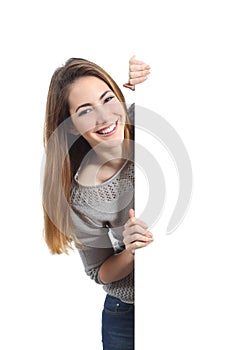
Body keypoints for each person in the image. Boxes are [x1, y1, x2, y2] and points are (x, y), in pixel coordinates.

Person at [42, 55, 153, 350]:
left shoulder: (147, 121)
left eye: (108, 99)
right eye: (86, 111)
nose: (104, 118)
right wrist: (129, 252)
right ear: (71, 126)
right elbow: (99, 271)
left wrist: (153, 73)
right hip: (127, 311)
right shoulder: (80, 197)